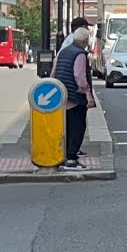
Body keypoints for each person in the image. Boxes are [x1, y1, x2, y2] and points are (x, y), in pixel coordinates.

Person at [53, 27, 96, 170]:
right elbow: (79, 76)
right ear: (85, 40)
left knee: (66, 127)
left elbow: (54, 71)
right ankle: (71, 158)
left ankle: (64, 156)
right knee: (78, 127)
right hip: (75, 95)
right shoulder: (80, 54)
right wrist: (88, 95)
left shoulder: (63, 52)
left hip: (62, 94)